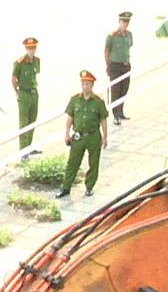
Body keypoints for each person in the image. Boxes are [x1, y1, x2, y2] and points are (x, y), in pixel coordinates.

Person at [57, 70, 109, 201]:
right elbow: (70, 116)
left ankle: (89, 186)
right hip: (78, 136)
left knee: (93, 163)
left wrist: (105, 137)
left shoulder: (98, 102)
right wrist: (67, 133)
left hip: (93, 136)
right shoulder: (75, 100)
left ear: (92, 85)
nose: (85, 86)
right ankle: (65, 187)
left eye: (88, 84)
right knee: (72, 162)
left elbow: (103, 119)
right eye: (83, 84)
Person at [12, 37, 41, 155]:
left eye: (33, 48)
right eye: (29, 48)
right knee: (24, 123)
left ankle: (29, 147)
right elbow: (14, 79)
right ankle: (23, 151)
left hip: (34, 93)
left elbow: (35, 76)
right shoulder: (19, 63)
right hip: (24, 93)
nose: (31, 50)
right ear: (26, 49)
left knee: (32, 121)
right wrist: (17, 93)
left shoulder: (37, 61)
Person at [104, 11, 133, 123]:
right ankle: (115, 115)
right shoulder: (112, 36)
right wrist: (108, 65)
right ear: (119, 22)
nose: (125, 24)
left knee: (124, 90)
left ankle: (120, 112)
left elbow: (129, 47)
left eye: (127, 22)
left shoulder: (129, 35)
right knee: (115, 91)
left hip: (126, 66)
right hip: (115, 66)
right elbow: (106, 51)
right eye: (123, 21)